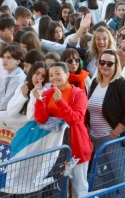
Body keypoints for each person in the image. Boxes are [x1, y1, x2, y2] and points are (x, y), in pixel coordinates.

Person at [32, 61, 92, 197]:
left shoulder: (79, 94)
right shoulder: (47, 93)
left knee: (79, 188)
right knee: (59, 188)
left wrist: (60, 102)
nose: (54, 78)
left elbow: (76, 118)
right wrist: (39, 101)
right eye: (51, 75)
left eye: (58, 74)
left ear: (66, 74)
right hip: (56, 149)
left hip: (77, 147)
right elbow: (41, 119)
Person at [85, 49, 125, 194]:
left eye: (110, 63)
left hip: (114, 140)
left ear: (116, 65)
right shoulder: (95, 83)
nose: (105, 66)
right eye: (102, 62)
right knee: (107, 180)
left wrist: (114, 134)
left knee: (121, 179)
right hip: (96, 139)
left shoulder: (122, 84)